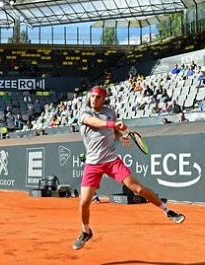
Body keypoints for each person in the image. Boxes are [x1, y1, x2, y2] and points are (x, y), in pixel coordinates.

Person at [73, 86, 185, 251]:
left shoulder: (110, 112)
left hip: (111, 160)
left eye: (98, 97)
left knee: (138, 189)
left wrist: (119, 135)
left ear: (103, 99)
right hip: (92, 163)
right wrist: (114, 125)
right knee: (84, 202)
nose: (94, 99)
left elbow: (111, 130)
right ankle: (86, 231)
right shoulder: (85, 112)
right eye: (92, 96)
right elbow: (93, 123)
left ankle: (168, 211)